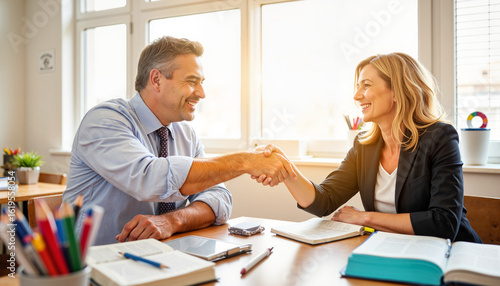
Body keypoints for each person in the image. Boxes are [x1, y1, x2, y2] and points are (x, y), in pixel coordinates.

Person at [63, 36, 296, 245]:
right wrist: (245, 161)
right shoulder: (105, 121)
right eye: (192, 81)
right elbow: (150, 179)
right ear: (156, 80)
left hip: (159, 258)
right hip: (92, 265)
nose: (202, 93)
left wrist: (172, 221)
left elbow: (218, 199)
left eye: (202, 81)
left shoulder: (185, 133)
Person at [257, 53, 481, 242]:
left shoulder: (439, 137)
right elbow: (324, 201)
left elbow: (443, 223)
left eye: (366, 85)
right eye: (357, 87)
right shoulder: (364, 146)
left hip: (450, 257)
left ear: (397, 92)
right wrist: (286, 170)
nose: (356, 96)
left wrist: (366, 218)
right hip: (393, 250)